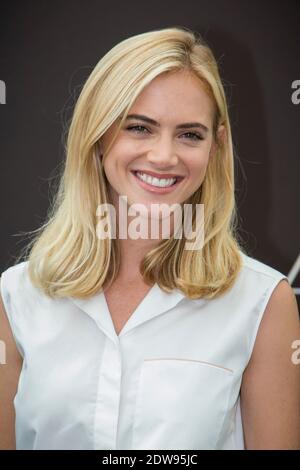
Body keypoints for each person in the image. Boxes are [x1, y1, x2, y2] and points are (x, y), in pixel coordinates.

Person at [0, 26, 299, 451]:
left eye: (189, 134)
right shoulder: (17, 296)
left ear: (214, 148)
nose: (163, 155)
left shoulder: (263, 302)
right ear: (99, 135)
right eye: (139, 127)